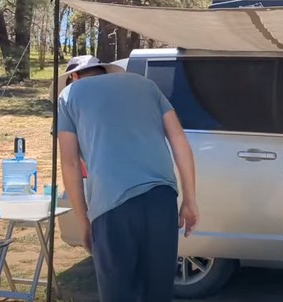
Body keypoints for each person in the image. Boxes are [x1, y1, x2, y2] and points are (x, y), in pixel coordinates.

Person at [54, 55, 199, 302]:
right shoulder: (146, 85)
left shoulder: (69, 95)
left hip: (112, 205)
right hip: (162, 199)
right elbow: (179, 140)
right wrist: (190, 199)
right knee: (158, 293)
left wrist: (83, 218)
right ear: (104, 71)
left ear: (73, 77)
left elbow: (69, 164)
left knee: (118, 293)